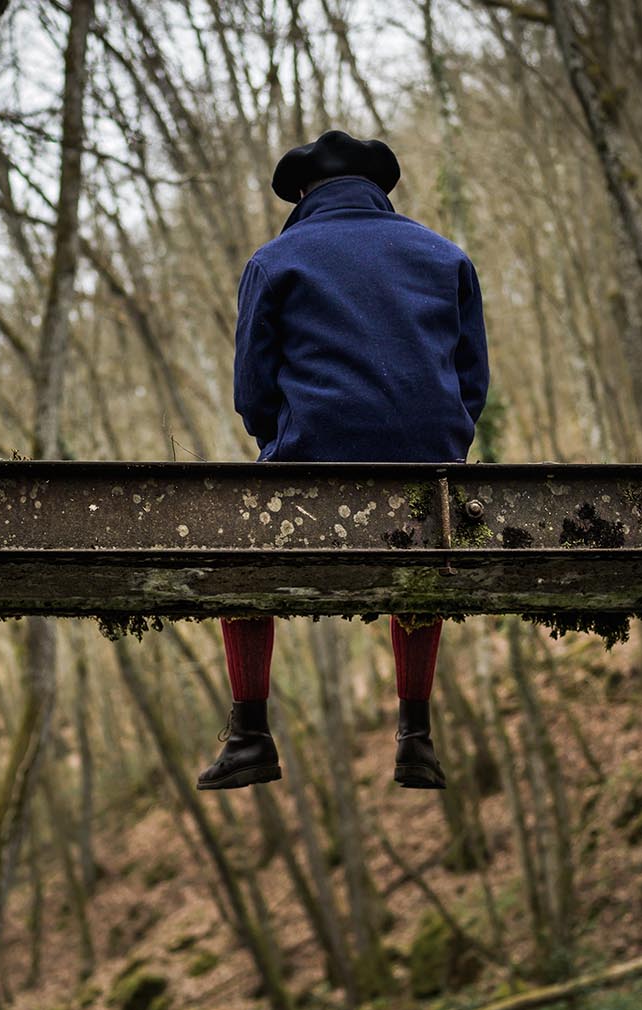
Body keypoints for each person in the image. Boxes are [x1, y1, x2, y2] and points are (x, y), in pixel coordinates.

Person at [198, 130, 489, 792]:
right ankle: (416, 735)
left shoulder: (275, 262)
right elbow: (472, 380)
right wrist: (442, 441)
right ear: (379, 190)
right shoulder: (447, 258)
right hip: (431, 469)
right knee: (421, 537)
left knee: (235, 549)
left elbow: (252, 392)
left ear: (302, 194)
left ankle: (250, 734)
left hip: (312, 462)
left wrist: (284, 442)